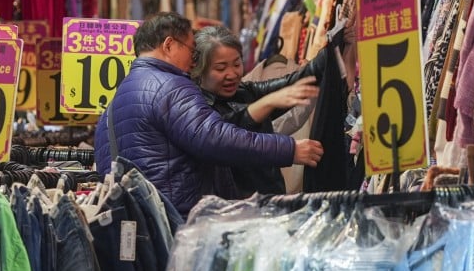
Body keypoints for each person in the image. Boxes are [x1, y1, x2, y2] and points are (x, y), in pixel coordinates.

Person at [94, 12, 324, 216]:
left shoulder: (117, 100)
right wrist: (289, 149)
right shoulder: (169, 86)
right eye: (191, 50)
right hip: (174, 219)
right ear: (169, 45)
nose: (193, 60)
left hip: (137, 221)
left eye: (236, 64)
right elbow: (216, 138)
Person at [191, 24, 324, 197]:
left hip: (269, 203)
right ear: (200, 70)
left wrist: (334, 45)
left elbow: (295, 81)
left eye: (236, 64)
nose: (231, 74)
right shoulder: (195, 107)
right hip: (231, 212)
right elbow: (229, 135)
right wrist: (268, 103)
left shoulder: (243, 92)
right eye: (221, 68)